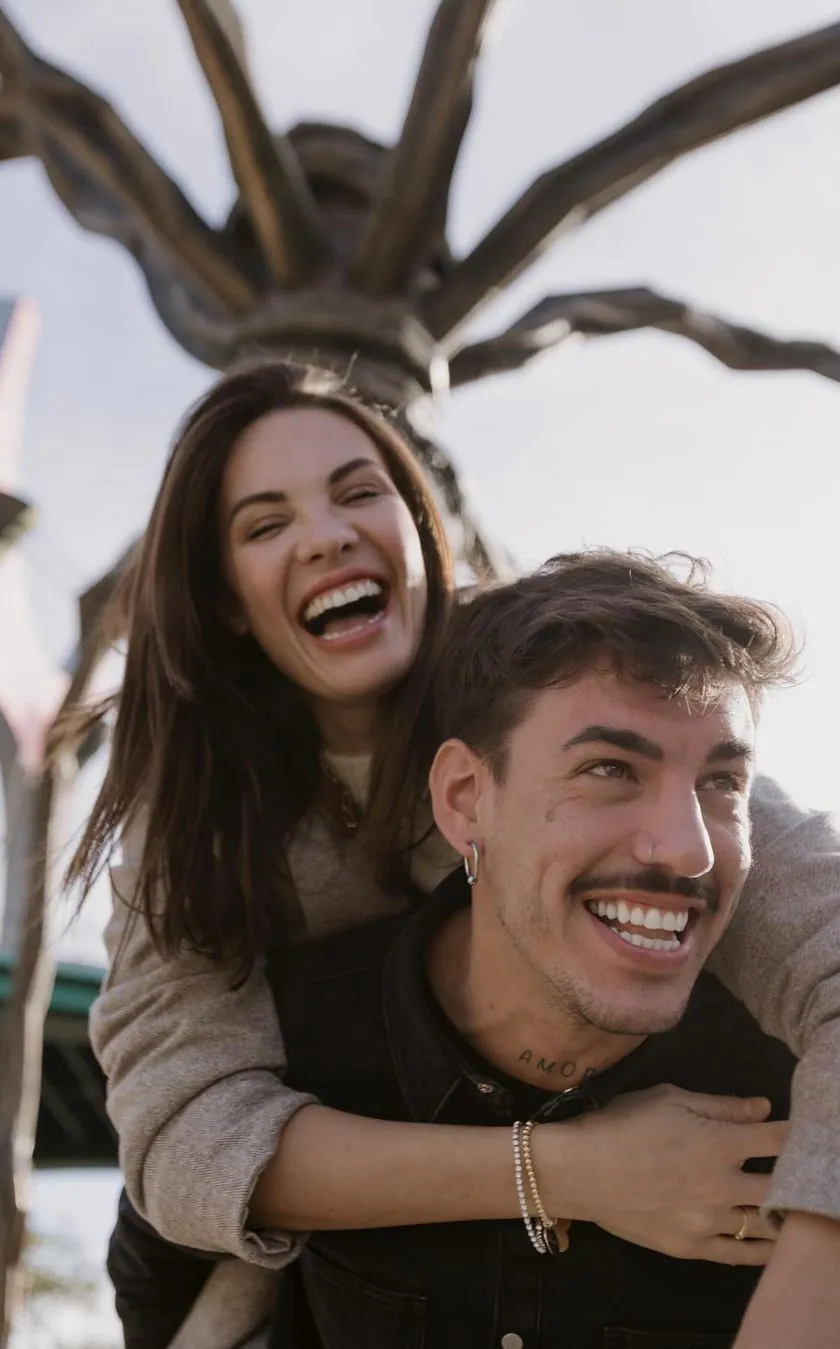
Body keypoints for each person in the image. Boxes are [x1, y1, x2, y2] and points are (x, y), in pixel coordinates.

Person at [71, 363, 840, 1349]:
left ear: (421, 530)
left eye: (360, 491)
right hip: (302, 1204)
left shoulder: (558, 686)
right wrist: (571, 1168)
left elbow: (815, 932)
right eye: (266, 524)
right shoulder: (196, 814)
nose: (327, 533)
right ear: (226, 599)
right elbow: (185, 1140)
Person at [264, 550, 798, 1346]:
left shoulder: (798, 1098)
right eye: (610, 767)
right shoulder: (290, 1046)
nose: (687, 849)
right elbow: (167, 1281)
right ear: (466, 799)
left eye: (721, 783)